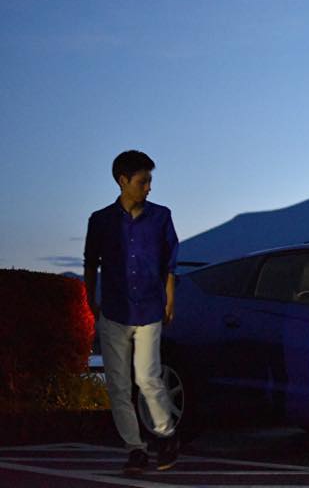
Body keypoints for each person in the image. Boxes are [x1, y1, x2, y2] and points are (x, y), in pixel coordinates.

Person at [84, 150, 180, 474]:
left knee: (147, 376)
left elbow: (170, 261)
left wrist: (169, 299)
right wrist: (89, 296)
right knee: (118, 385)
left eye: (150, 180)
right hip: (113, 310)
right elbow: (90, 261)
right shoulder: (100, 221)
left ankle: (166, 435)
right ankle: (135, 448)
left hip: (150, 310)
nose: (149, 187)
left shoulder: (161, 216)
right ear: (123, 181)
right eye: (143, 181)